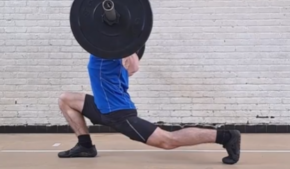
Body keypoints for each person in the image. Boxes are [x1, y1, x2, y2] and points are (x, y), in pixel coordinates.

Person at [57, 52, 241, 164]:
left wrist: (128, 49)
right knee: (66, 99)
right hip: (101, 106)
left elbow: (134, 65)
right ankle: (85, 146)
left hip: (119, 113)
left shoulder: (113, 55)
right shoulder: (102, 52)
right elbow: (131, 65)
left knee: (168, 141)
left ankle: (226, 137)